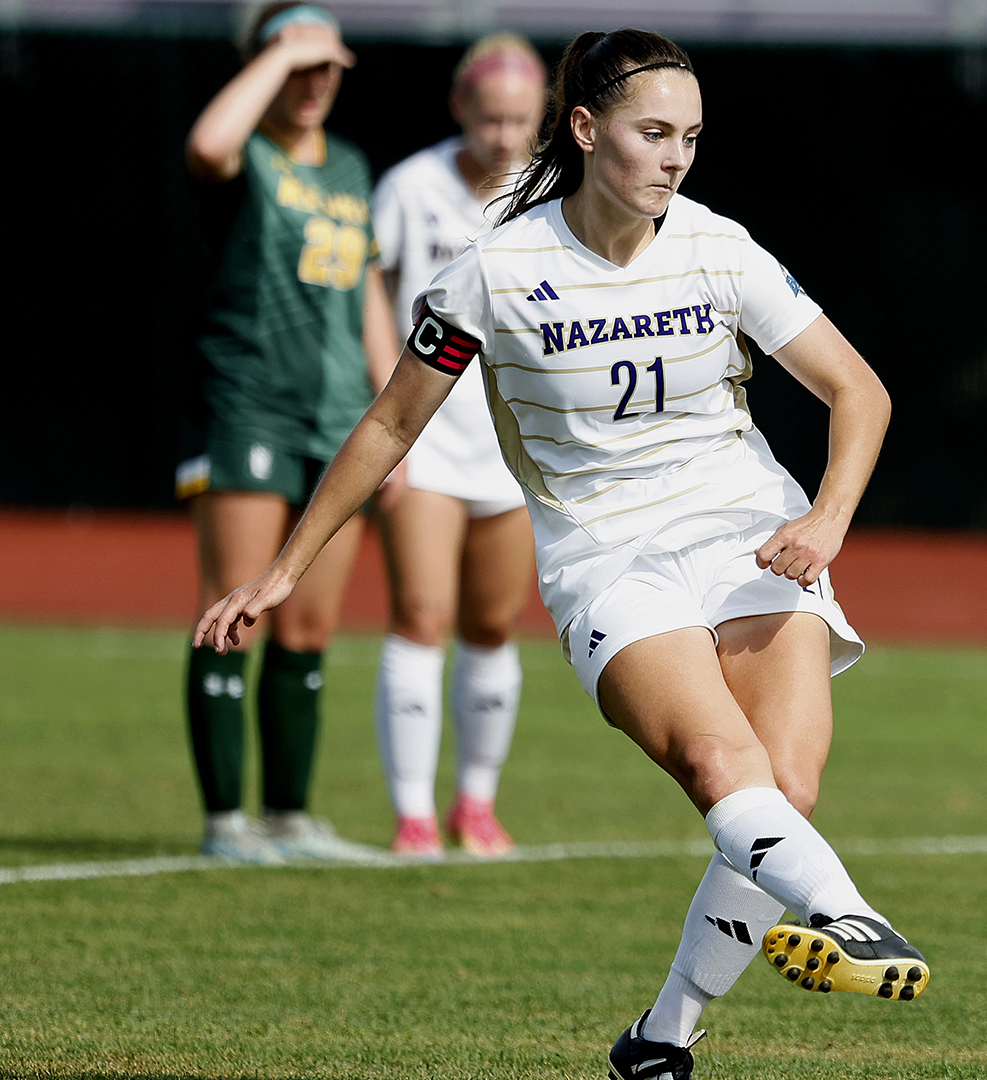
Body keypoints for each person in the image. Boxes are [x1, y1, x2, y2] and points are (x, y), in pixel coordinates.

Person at [196, 26, 928, 1076]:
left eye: (690, 137)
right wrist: (283, 571)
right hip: (607, 558)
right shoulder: (494, 270)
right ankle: (850, 914)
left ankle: (661, 1039)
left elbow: (861, 391)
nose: (675, 158)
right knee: (722, 768)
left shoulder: (719, 246)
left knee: (786, 794)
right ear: (586, 131)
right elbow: (391, 426)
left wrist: (826, 518)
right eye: (653, 133)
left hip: (747, 532)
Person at [178, 1, 385, 864]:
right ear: (263, 64)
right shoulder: (250, 151)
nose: (316, 81)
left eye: (328, 64)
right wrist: (276, 53)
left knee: (308, 628)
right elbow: (208, 146)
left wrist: (388, 412)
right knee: (236, 609)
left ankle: (290, 817)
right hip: (251, 402)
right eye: (298, 63)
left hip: (336, 417)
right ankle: (227, 820)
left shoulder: (348, 165)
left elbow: (368, 292)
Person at [367, 33, 546, 859]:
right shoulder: (410, 185)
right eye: (491, 118)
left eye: (521, 120)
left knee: (491, 623)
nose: (505, 137)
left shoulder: (550, 194)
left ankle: (476, 806)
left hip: (511, 445)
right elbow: (374, 285)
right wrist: (389, 417)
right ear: (459, 110)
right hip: (428, 441)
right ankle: (412, 817)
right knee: (422, 614)